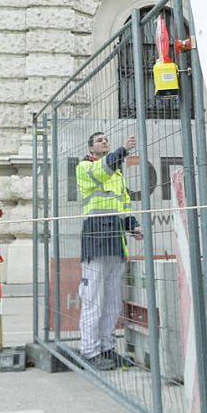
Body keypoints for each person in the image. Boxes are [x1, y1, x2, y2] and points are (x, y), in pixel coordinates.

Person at [76, 130, 142, 369]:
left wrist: (133, 226)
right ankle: (90, 352)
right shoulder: (85, 168)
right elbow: (101, 170)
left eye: (106, 139)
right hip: (95, 238)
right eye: (99, 140)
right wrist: (123, 150)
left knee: (113, 301)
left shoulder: (116, 174)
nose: (104, 141)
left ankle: (107, 347)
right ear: (90, 148)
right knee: (93, 300)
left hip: (115, 239)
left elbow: (124, 204)